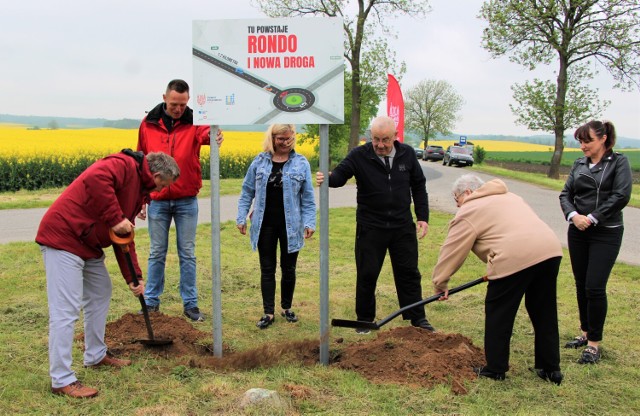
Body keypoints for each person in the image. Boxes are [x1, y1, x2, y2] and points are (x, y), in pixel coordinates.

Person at [36, 150, 180, 398]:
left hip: (87, 245)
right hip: (63, 237)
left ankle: (95, 355)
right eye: (162, 185)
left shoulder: (139, 192)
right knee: (66, 310)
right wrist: (115, 218)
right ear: (156, 175)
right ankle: (61, 379)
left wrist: (134, 277)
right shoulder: (122, 165)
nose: (159, 192)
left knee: (101, 291)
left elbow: (123, 235)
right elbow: (95, 179)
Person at [432, 174, 564, 385]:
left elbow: (452, 249)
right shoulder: (510, 196)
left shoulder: (470, 208)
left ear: (467, 193)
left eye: (456, 200)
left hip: (514, 256)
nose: (458, 206)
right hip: (549, 251)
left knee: (499, 312)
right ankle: (551, 369)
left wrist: (440, 283)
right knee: (544, 311)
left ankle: (495, 369)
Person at [316, 115, 434, 334]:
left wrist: (422, 216)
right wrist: (328, 177)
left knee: (409, 273)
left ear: (395, 137)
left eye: (385, 140)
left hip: (402, 227)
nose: (380, 145)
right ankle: (364, 320)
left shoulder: (407, 154)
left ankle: (417, 318)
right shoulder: (360, 155)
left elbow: (419, 185)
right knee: (367, 273)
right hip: (371, 227)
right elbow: (340, 176)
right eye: (375, 139)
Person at [137, 79, 223, 322]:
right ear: (164, 98)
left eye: (183, 104)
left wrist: (215, 134)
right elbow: (141, 161)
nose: (178, 109)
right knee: (156, 252)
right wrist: (141, 197)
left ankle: (191, 304)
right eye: (174, 104)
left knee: (187, 252)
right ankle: (151, 303)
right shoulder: (148, 124)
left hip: (186, 199)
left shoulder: (195, 122)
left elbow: (207, 134)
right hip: (157, 199)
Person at [559, 120, 632, 364]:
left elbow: (621, 195)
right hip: (578, 231)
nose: (582, 146)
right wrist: (573, 215)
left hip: (606, 231)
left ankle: (594, 344)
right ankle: (585, 332)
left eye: (587, 141)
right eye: (580, 141)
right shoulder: (579, 164)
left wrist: (592, 217)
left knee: (595, 286)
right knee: (581, 284)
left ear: (603, 138)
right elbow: (565, 194)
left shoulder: (619, 162)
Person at [236, 124, 316, 329]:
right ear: (272, 138)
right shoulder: (259, 162)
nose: (285, 143)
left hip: (292, 226)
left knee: (289, 269)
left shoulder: (301, 163)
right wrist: (241, 217)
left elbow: (307, 198)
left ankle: (286, 308)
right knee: (267, 269)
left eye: (289, 138)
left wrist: (309, 222)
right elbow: (247, 191)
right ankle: (268, 312)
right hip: (264, 225)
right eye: (281, 139)